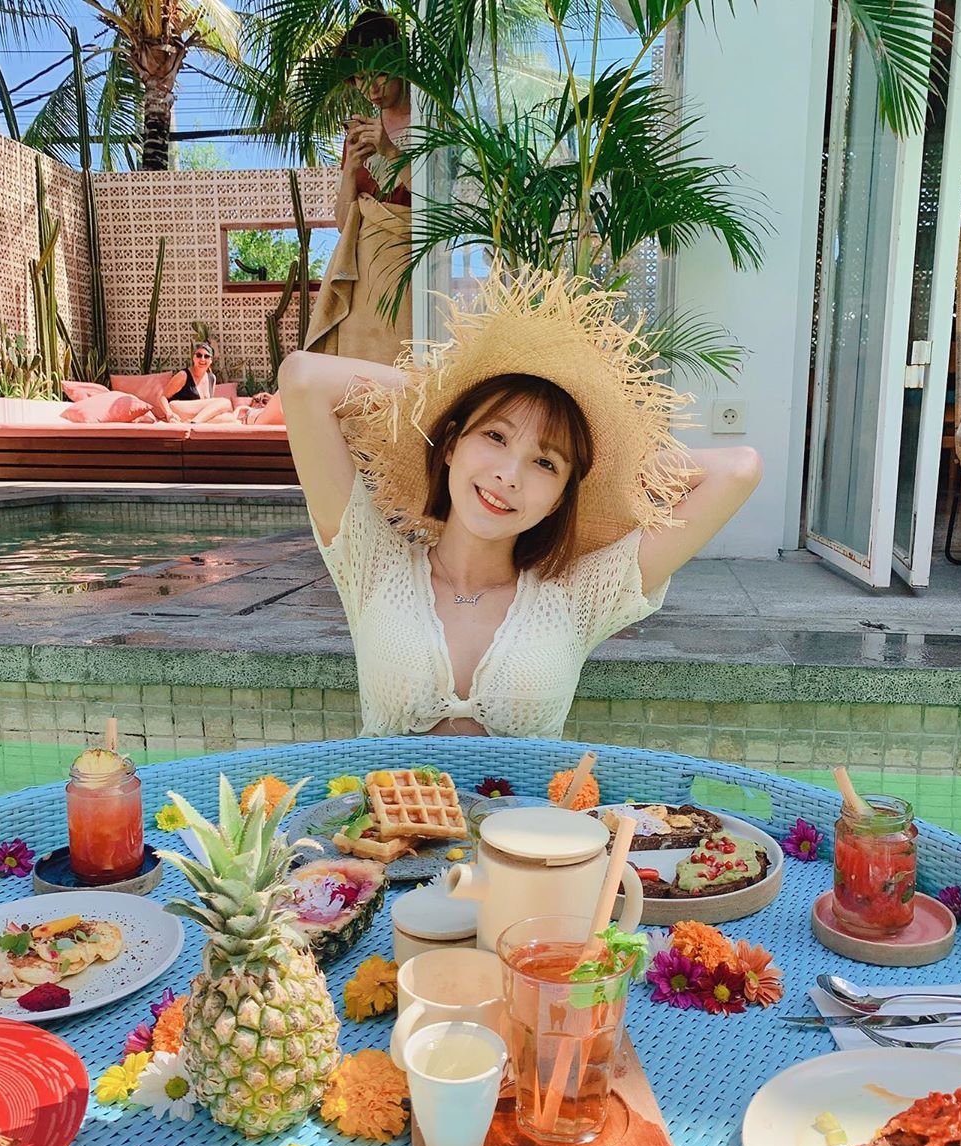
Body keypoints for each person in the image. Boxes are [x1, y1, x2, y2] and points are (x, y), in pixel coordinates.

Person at [279, 267, 762, 740]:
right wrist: (438, 396)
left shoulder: (581, 593)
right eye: (495, 436)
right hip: (379, 798)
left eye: (545, 463)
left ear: (558, 500)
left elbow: (737, 470)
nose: (509, 476)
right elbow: (303, 378)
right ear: (451, 446)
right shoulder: (371, 561)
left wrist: (612, 472)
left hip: (534, 800)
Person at [302, 9, 412, 363]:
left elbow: (436, 202)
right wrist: (351, 169)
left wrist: (390, 151)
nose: (371, 89)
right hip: (359, 276)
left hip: (407, 271)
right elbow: (342, 222)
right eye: (361, 78)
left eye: (379, 73)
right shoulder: (359, 132)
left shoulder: (428, 122)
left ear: (399, 63)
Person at [159, 343, 238, 423]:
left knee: (230, 418)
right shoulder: (183, 375)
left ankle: (192, 422)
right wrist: (169, 414)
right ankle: (195, 422)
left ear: (211, 360)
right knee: (226, 402)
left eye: (206, 356)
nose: (202, 359)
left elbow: (209, 408)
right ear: (194, 358)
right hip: (178, 409)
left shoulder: (212, 378)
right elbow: (162, 397)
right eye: (199, 355)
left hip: (195, 415)